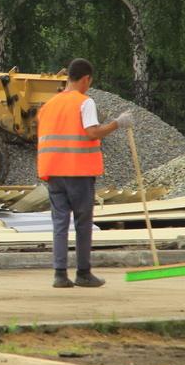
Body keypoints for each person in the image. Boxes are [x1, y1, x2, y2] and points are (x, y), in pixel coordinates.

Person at [37, 58, 134, 288]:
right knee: (83, 223)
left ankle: (60, 275)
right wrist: (117, 123)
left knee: (60, 223)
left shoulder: (49, 105)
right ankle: (83, 273)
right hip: (78, 171)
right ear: (86, 79)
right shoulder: (85, 102)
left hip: (53, 171)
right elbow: (92, 132)